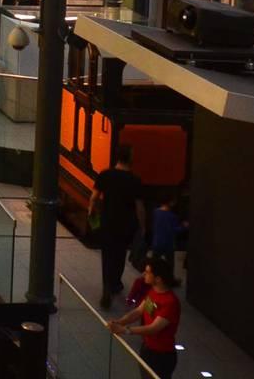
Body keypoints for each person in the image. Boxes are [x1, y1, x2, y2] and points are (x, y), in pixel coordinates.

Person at [91, 145, 146, 308]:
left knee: (107, 255)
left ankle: (107, 287)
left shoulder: (105, 175)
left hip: (107, 221)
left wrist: (91, 213)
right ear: (130, 158)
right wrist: (143, 226)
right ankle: (115, 283)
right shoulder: (135, 180)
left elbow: (94, 198)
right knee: (119, 254)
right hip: (125, 224)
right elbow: (140, 207)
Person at [109, 258, 181, 378]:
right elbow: (139, 311)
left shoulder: (170, 302)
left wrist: (125, 330)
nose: (144, 274)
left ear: (158, 278)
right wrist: (119, 322)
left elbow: (153, 329)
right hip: (148, 348)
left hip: (161, 356)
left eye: (148, 272)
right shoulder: (153, 292)